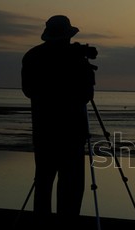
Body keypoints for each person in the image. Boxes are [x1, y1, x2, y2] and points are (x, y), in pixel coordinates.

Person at [21, 15, 96, 216]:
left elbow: (28, 90)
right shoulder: (75, 59)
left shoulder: (32, 56)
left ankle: (42, 226)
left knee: (43, 182)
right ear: (67, 35)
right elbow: (86, 95)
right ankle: (67, 227)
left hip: (43, 130)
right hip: (72, 132)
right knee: (71, 184)